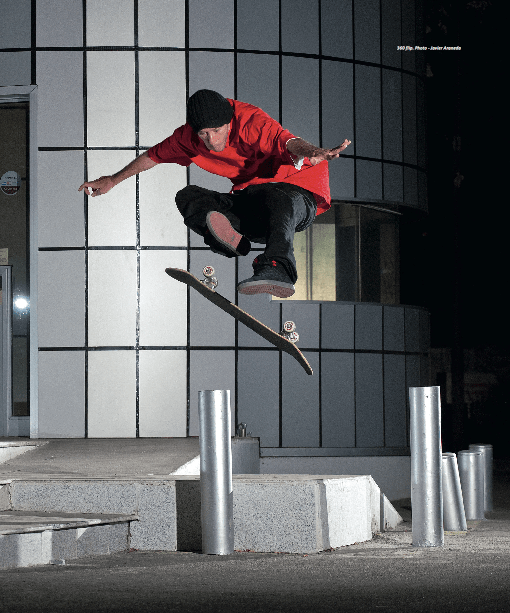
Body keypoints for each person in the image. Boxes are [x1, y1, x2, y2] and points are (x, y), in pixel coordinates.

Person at [79, 89, 351, 297]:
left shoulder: (250, 120)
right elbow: (153, 156)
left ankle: (278, 268)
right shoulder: (187, 137)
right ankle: (229, 240)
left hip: (296, 198)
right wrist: (113, 180)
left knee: (275, 196)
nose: (211, 140)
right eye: (204, 134)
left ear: (229, 122)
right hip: (253, 202)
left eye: (217, 131)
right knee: (187, 196)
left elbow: (287, 141)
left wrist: (314, 151)